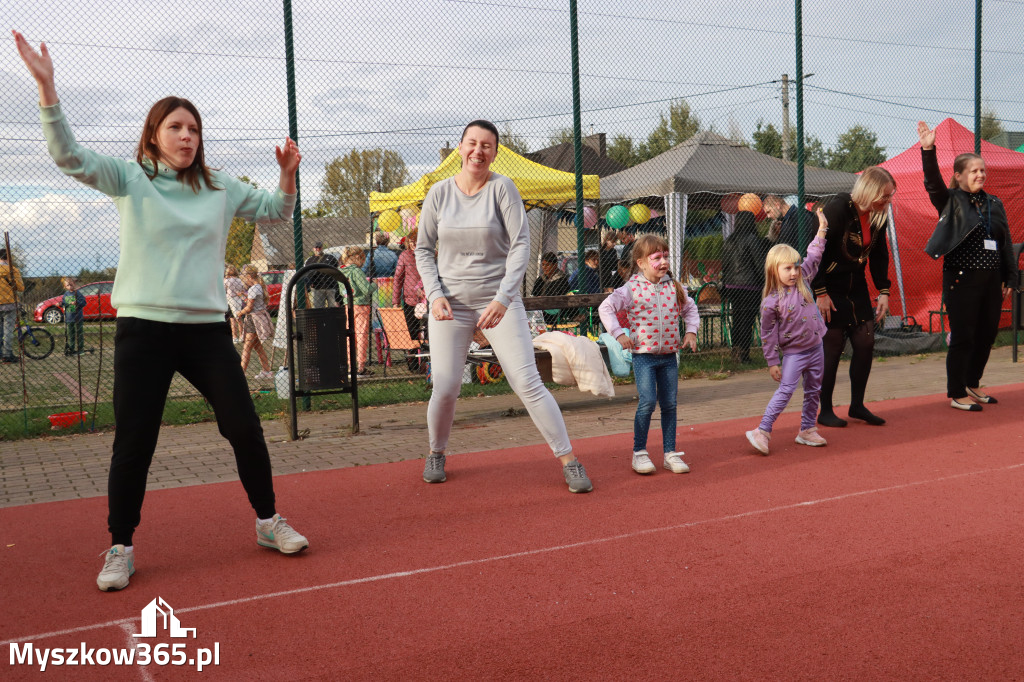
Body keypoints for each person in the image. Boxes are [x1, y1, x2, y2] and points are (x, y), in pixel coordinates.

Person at [13, 31, 308, 592]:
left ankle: (269, 522)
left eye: (194, 129)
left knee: (243, 426)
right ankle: (120, 545)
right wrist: (48, 87)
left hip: (204, 332)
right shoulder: (131, 178)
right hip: (143, 330)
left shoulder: (221, 187)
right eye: (175, 127)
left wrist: (287, 173)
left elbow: (276, 209)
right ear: (153, 135)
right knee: (136, 440)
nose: (187, 136)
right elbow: (67, 157)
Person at [415, 119, 593, 493]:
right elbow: (423, 250)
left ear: (495, 153)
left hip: (499, 301)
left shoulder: (503, 188)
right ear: (459, 149)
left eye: (487, 146)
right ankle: (436, 452)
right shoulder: (439, 194)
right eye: (472, 143)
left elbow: (521, 247)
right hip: (450, 306)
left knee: (527, 381)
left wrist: (503, 297)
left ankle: (569, 460)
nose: (478, 151)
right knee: (445, 386)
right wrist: (435, 294)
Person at [918, 121, 1017, 411]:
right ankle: (956, 391)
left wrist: (1010, 277)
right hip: (961, 280)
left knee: (987, 333)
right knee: (964, 335)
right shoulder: (949, 200)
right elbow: (933, 182)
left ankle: (973, 382)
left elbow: (1005, 242)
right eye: (974, 171)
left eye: (982, 170)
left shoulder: (994, 203)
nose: (980, 174)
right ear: (959, 176)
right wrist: (928, 149)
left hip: (991, 280)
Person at [598, 234, 698, 475]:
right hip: (643, 356)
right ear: (641, 262)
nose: (663, 261)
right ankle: (639, 452)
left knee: (670, 404)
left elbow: (690, 308)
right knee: (647, 403)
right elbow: (606, 307)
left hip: (669, 356)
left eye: (665, 256)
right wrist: (618, 333)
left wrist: (691, 331)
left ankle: (670, 453)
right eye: (657, 257)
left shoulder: (674, 287)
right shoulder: (631, 289)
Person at [811, 167, 895, 428]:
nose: (888, 201)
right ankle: (824, 409)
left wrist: (883, 290)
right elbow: (816, 254)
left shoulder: (878, 216)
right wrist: (821, 292)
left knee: (865, 343)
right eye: (885, 196)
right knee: (832, 348)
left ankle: (857, 406)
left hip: (856, 288)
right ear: (869, 192)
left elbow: (880, 255)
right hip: (830, 287)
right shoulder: (837, 209)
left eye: (891, 196)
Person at [746, 212, 830, 455]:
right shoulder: (771, 302)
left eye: (795, 267)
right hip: (794, 354)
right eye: (788, 268)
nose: (794, 272)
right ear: (774, 270)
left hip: (817, 349)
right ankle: (762, 431)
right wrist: (773, 361)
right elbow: (768, 334)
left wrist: (822, 230)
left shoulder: (803, 280)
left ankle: (806, 430)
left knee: (814, 390)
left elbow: (814, 255)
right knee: (785, 391)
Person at [721, 210, 770, 363]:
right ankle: (744, 354)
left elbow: (725, 264)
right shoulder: (751, 239)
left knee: (737, 319)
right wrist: (766, 284)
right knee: (747, 321)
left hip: (731, 285)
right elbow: (759, 264)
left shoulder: (729, 239)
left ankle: (735, 351)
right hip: (749, 286)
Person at [339, 246, 374, 377]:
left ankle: (350, 365)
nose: (363, 263)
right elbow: (366, 290)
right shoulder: (356, 272)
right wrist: (374, 285)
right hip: (361, 305)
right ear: (357, 258)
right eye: (362, 259)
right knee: (362, 335)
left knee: (349, 335)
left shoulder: (341, 271)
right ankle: (361, 366)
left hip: (348, 305)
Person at [238, 264, 274, 380]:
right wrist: (245, 297)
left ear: (249, 276)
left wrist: (239, 313)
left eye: (244, 277)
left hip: (254, 320)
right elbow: (253, 303)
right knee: (258, 347)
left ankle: (240, 373)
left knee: (246, 348)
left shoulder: (254, 289)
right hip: (257, 318)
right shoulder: (258, 287)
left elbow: (249, 308)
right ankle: (267, 371)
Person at [392, 228, 425, 347]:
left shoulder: (430, 254)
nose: (413, 244)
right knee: (411, 332)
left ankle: (427, 360)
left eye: (416, 241)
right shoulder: (405, 255)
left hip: (428, 299)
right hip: (410, 300)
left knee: (427, 332)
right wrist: (395, 301)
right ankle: (414, 363)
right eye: (411, 241)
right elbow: (398, 278)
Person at [0, 247, 25, 363]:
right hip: (9, 304)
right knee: (8, 330)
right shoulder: (12, 270)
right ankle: (7, 354)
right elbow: (20, 288)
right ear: (9, 258)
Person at [304, 240, 339, 308]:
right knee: (319, 308)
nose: (318, 249)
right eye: (316, 247)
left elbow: (336, 269)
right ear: (313, 248)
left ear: (322, 247)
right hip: (317, 287)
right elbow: (307, 274)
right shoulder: (309, 260)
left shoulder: (330, 257)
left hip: (331, 286)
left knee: (333, 308)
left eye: (319, 247)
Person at [61, 276, 87, 355]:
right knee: (71, 334)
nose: (70, 286)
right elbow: (64, 303)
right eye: (68, 285)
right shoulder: (66, 294)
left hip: (78, 317)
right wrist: (60, 304)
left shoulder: (77, 293)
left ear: (74, 284)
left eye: (71, 284)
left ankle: (81, 349)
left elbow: (84, 302)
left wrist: (77, 302)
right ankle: (71, 348)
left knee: (79, 334)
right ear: (65, 286)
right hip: (69, 318)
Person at [224, 264, 247, 343]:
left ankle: (234, 337)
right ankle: (241, 336)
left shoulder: (227, 281)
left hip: (230, 300)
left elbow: (224, 290)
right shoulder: (239, 280)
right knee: (239, 319)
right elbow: (242, 289)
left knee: (232, 320)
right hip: (238, 299)